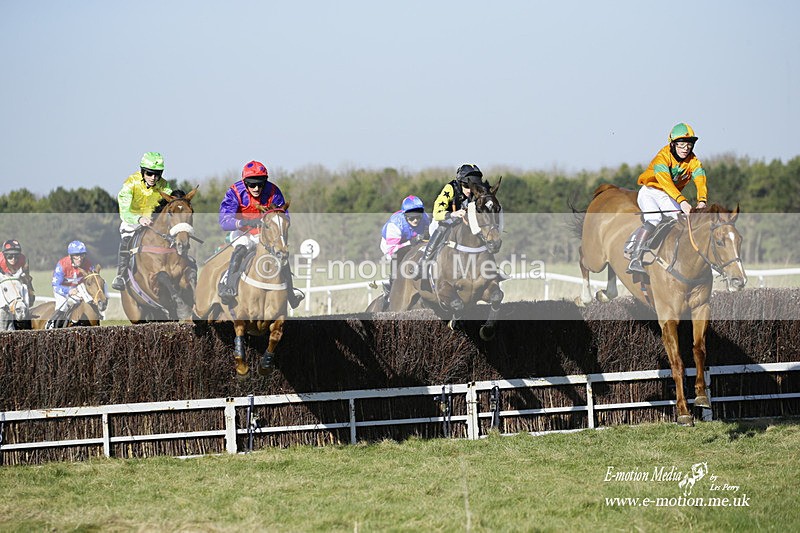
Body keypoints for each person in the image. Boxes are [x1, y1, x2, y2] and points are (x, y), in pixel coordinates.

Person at [217, 160, 304, 308]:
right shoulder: (235, 192)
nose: (256, 188)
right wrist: (244, 223)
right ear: (245, 182)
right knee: (241, 248)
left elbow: (284, 216)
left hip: (265, 233)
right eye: (252, 184)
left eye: (260, 184)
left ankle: (290, 292)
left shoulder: (273, 192)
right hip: (242, 232)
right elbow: (224, 221)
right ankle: (229, 285)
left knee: (280, 252)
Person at [627, 123, 708, 273]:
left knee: (682, 220)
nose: (686, 148)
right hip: (650, 192)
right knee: (655, 219)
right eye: (682, 144)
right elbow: (667, 183)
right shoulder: (662, 158)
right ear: (672, 144)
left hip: (668, 195)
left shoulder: (693, 161)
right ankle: (635, 257)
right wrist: (682, 201)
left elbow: (700, 178)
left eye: (689, 145)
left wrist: (702, 200)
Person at [111, 152, 174, 291]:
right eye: (150, 173)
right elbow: (124, 212)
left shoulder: (165, 186)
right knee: (126, 240)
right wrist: (139, 218)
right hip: (132, 221)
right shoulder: (130, 183)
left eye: (157, 174)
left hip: (154, 222)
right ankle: (121, 275)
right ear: (142, 171)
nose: (153, 178)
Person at [419, 163, 485, 268]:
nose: (469, 190)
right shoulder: (450, 188)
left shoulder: (477, 192)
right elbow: (437, 213)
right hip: (444, 222)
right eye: (466, 186)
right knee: (441, 229)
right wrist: (453, 214)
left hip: (465, 224)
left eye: (473, 186)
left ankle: (492, 268)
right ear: (460, 182)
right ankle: (424, 263)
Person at [379, 195, 431, 302]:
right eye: (412, 217)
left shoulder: (426, 219)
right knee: (396, 258)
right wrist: (411, 242)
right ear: (404, 215)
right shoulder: (395, 225)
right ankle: (391, 288)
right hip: (392, 245)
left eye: (418, 217)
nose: (416, 220)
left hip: (413, 240)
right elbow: (391, 251)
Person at [47, 240, 95, 328]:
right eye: (76, 256)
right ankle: (52, 325)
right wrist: (69, 291)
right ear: (70, 256)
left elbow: (93, 280)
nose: (80, 258)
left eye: (82, 255)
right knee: (63, 307)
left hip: (78, 289)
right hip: (63, 291)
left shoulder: (88, 264)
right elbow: (55, 285)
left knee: (90, 303)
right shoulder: (62, 264)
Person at [0, 239, 35, 305]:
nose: (13, 259)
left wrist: (30, 291)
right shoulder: (0, 260)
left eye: (16, 256)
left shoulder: (22, 259)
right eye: (10, 256)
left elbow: (27, 278)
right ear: (4, 255)